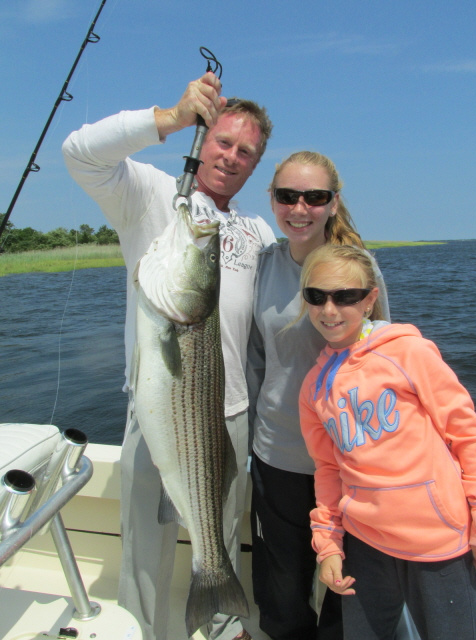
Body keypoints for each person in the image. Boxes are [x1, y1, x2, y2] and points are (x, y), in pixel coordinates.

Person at [62, 72, 275, 640]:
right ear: (203, 139)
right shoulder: (155, 196)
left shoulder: (257, 232)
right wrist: (172, 116)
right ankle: (140, 629)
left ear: (255, 166)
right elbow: (79, 153)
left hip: (229, 415)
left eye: (246, 152)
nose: (231, 157)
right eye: (223, 142)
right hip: (159, 413)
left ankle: (226, 625)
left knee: (220, 537)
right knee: (145, 551)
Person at [298, 243, 476, 640]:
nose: (329, 310)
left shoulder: (408, 351)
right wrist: (328, 544)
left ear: (369, 300)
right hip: (364, 543)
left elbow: (466, 432)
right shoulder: (313, 387)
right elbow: (327, 470)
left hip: (439, 541)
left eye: (345, 296)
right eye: (317, 296)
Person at [246, 151, 390, 640]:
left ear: (333, 203)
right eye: (287, 196)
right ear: (272, 200)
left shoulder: (359, 268)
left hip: (347, 459)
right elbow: (255, 360)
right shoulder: (262, 266)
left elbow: (381, 360)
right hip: (276, 455)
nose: (300, 208)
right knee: (282, 582)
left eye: (314, 197)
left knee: (346, 584)